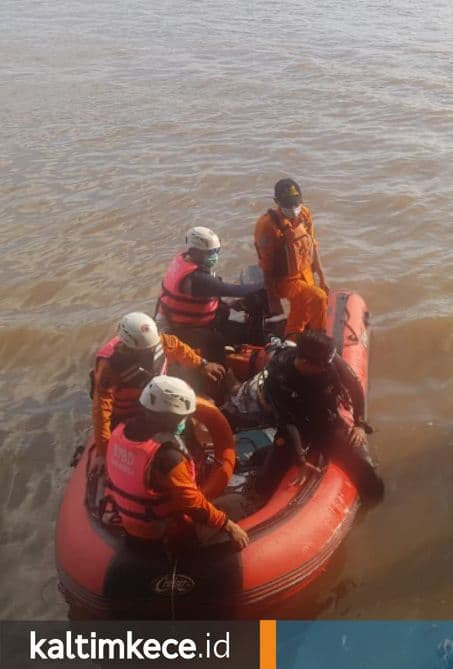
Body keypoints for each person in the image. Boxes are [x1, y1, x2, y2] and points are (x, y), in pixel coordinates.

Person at [104, 375, 249, 549]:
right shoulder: (168, 457)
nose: (185, 421)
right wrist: (228, 525)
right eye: (183, 417)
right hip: (163, 530)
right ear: (170, 417)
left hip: (129, 520)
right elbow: (193, 505)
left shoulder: (120, 431)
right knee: (239, 502)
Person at [91, 312, 226, 476]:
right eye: (145, 351)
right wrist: (102, 452)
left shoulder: (160, 341)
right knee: (151, 447)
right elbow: (101, 408)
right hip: (130, 414)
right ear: (128, 347)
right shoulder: (109, 367)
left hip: (157, 403)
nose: (149, 352)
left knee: (186, 426)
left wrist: (202, 364)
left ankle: (197, 462)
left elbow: (180, 349)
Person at [256, 330, 383, 502]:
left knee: (368, 473)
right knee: (265, 481)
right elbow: (286, 421)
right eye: (324, 365)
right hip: (295, 425)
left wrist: (359, 423)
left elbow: (353, 385)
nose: (329, 367)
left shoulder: (328, 359)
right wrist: (300, 459)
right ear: (306, 363)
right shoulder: (280, 377)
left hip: (327, 422)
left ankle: (373, 504)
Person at [155, 226, 265, 361]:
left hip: (190, 320)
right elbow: (233, 290)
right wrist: (266, 284)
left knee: (242, 330)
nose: (214, 256)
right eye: (210, 253)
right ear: (194, 251)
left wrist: (229, 305)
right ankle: (223, 375)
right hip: (184, 329)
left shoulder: (184, 260)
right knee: (215, 340)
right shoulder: (196, 279)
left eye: (216, 251)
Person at [254, 178, 329, 338]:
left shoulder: (304, 213)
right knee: (318, 297)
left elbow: (313, 244)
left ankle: (292, 337)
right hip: (284, 279)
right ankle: (319, 339)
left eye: (296, 203)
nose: (294, 208)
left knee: (303, 311)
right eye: (289, 205)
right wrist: (274, 302)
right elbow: (266, 266)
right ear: (277, 202)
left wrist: (322, 276)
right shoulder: (266, 225)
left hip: (305, 272)